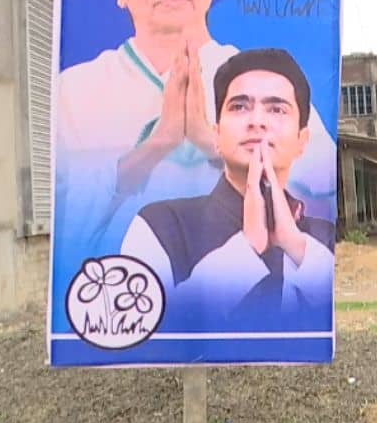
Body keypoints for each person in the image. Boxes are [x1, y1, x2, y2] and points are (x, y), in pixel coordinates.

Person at [55, 0, 337, 253]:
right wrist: (157, 145)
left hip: (252, 291)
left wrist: (211, 142)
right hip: (130, 294)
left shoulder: (261, 81)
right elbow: (67, 230)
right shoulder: (78, 90)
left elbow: (320, 191)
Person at [119, 48, 334, 314]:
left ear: (302, 142)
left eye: (277, 109)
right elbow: (133, 326)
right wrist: (246, 249)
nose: (257, 122)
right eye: (240, 107)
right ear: (217, 136)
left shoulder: (322, 239)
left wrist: (298, 247)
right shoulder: (162, 226)